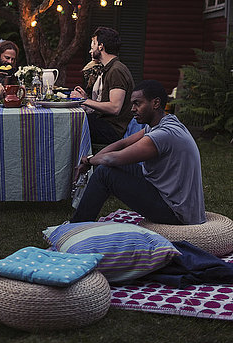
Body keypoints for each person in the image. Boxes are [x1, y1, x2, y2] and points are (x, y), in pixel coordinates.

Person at [71, 80, 206, 225]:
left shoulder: (163, 134)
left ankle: (77, 225)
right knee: (105, 168)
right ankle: (80, 223)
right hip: (166, 195)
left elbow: (113, 159)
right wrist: (92, 160)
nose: (132, 109)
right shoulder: (163, 123)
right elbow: (122, 143)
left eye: (137, 103)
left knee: (105, 172)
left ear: (155, 103)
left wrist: (89, 161)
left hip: (176, 211)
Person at [71, 26, 134, 144]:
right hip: (105, 124)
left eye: (93, 45)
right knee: (75, 118)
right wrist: (88, 100)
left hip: (113, 130)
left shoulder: (116, 70)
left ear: (101, 46)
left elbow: (115, 108)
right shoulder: (109, 68)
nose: (91, 49)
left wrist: (83, 100)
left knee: (73, 122)